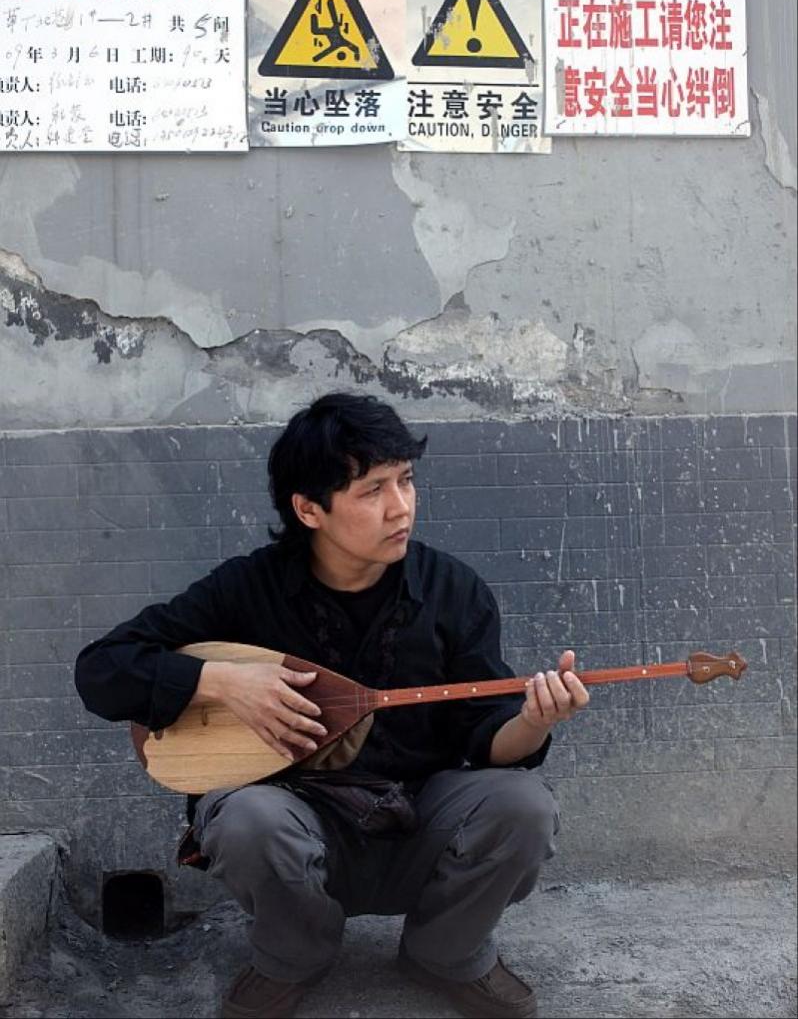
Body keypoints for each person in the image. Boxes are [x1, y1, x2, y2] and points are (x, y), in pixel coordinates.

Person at [75, 393, 589, 1019]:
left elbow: (486, 736)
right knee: (245, 818)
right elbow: (101, 670)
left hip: (419, 818)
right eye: (373, 490)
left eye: (406, 480)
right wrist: (222, 682)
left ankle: (446, 953)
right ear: (309, 509)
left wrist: (532, 722)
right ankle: (292, 959)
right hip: (296, 825)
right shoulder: (247, 589)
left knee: (524, 806)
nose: (401, 506)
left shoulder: (453, 591)